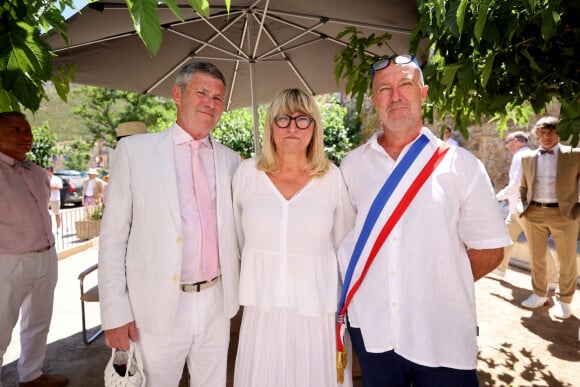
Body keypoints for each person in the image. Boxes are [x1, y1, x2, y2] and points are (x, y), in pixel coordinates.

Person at [337, 54, 511, 387]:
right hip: (374, 332)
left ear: (424, 93)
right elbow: (346, 241)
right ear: (374, 101)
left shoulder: (462, 165)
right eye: (384, 89)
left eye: (405, 84)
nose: (396, 96)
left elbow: (490, 252)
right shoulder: (351, 166)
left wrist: (435, 285)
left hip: (442, 333)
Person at [98, 62, 241, 386]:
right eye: (202, 92)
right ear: (178, 95)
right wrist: (115, 313)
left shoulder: (231, 160)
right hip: (157, 307)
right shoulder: (135, 151)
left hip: (216, 304)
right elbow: (112, 237)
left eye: (219, 98)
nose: (210, 103)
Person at [232, 88, 355, 386]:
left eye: (303, 120)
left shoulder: (331, 178)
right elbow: (237, 240)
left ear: (314, 128)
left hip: (317, 314)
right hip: (263, 313)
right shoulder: (247, 174)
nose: (292, 127)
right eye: (283, 118)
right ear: (270, 126)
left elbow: (345, 246)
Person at [0, 112, 68, 387]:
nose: (26, 136)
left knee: (39, 321)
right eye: (17, 130)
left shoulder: (37, 171)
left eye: (27, 130)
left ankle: (32, 375)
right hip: (8, 261)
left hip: (46, 255)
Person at [519, 116, 580, 319]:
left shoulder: (574, 155)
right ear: (536, 135)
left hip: (564, 214)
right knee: (537, 258)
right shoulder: (527, 158)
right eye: (542, 133)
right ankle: (539, 294)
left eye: (551, 132)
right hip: (534, 212)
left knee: (567, 260)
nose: (546, 137)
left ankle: (564, 300)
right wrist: (523, 206)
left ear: (558, 133)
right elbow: (523, 186)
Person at [45, 166, 63, 230]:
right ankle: (48, 228)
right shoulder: (45, 179)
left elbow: (59, 187)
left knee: (57, 213)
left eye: (48, 171)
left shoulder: (57, 179)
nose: (46, 172)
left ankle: (59, 227)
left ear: (51, 172)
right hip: (47, 199)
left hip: (55, 199)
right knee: (46, 214)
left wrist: (49, 188)